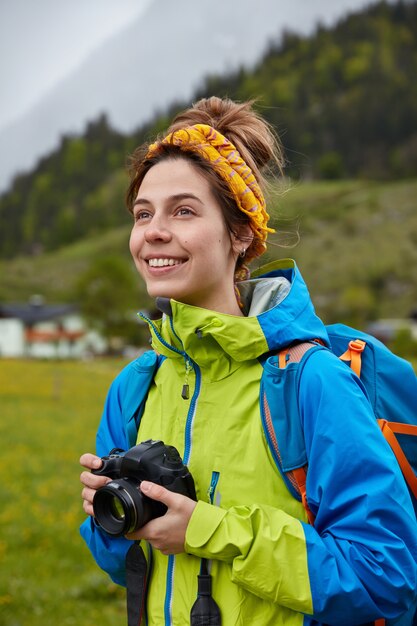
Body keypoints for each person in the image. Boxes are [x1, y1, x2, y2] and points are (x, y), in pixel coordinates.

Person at [80, 96, 417, 625]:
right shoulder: (134, 387)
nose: (153, 232)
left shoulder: (308, 382)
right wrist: (110, 515)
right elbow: (122, 564)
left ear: (241, 234)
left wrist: (211, 530)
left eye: (183, 211)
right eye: (143, 213)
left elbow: (386, 577)